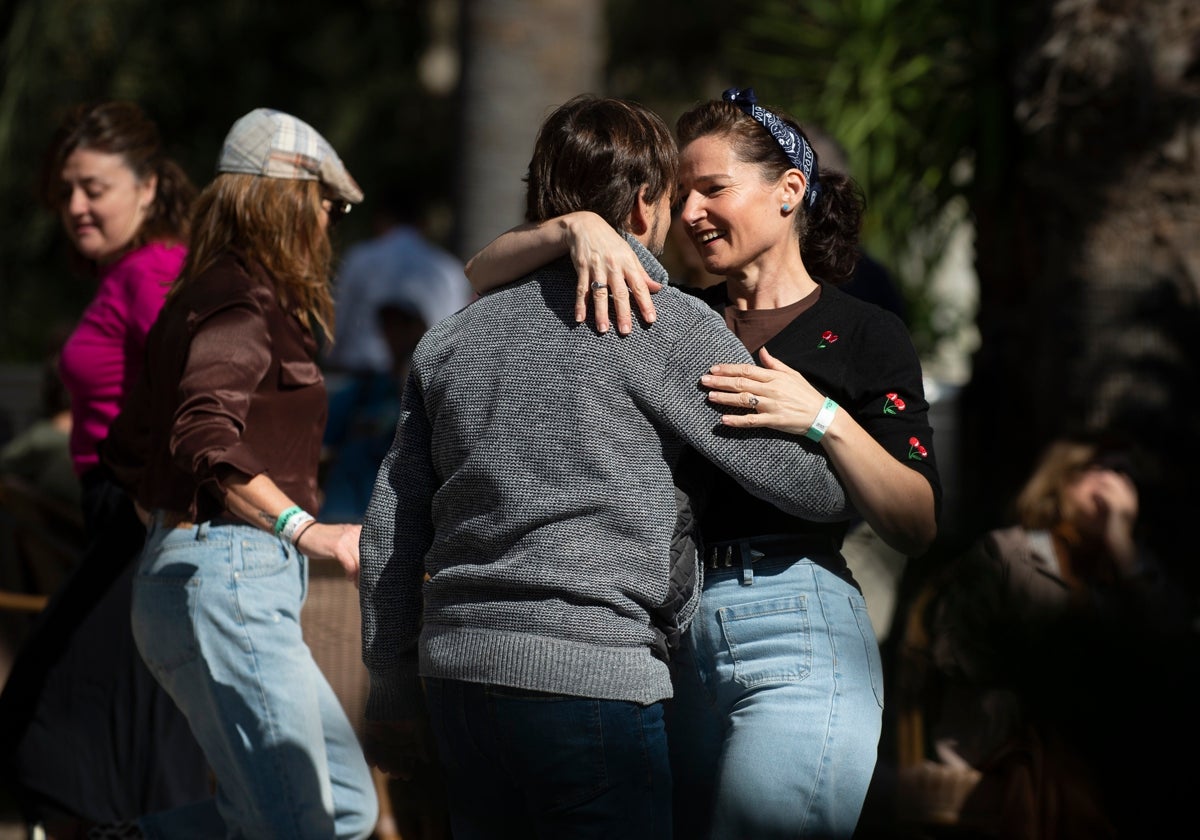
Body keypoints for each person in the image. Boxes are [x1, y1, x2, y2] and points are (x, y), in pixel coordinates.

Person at [358, 94, 852, 840]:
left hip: (456, 672)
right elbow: (811, 490)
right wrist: (821, 417)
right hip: (592, 678)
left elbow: (391, 527)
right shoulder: (658, 317)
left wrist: (391, 686)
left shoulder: (453, 338)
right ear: (647, 201)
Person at [465, 87, 942, 839]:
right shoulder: (661, 310)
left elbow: (915, 520)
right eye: (681, 195)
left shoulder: (863, 332)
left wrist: (821, 419)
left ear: (790, 191)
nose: (689, 213)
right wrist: (579, 229)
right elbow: (480, 276)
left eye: (714, 190)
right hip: (659, 642)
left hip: (795, 620)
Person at [98, 108, 378, 840]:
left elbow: (130, 448)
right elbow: (200, 432)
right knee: (302, 827)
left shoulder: (202, 298)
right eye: (329, 203)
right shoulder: (238, 299)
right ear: (286, 201)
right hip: (231, 577)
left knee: (346, 808)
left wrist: (172, 536)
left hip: (205, 574)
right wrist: (303, 529)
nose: (331, 221)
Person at [0, 101, 209, 835]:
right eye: (66, 192)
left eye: (93, 188)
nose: (76, 207)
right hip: (117, 519)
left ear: (148, 186)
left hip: (141, 521)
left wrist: (160, 509)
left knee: (53, 729)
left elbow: (195, 390)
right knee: (114, 743)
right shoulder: (126, 272)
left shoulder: (153, 271)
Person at [893, 432, 1185, 838]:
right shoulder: (1008, 552)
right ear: (1062, 480)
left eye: (1124, 473)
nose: (1115, 482)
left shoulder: (1136, 569)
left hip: (1111, 736)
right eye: (1101, 468)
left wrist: (1122, 546)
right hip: (1009, 728)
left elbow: (1176, 650)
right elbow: (956, 653)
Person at [320, 186, 473, 523]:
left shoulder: (362, 259)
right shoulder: (447, 268)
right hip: (421, 393)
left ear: (382, 220)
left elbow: (336, 335)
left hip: (375, 388)